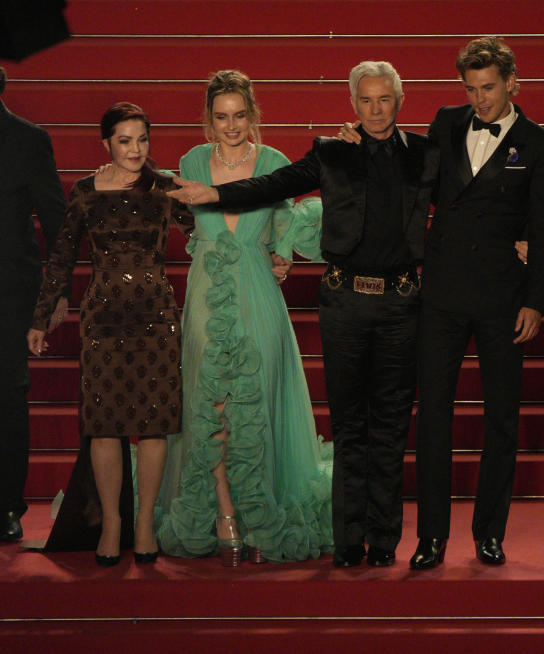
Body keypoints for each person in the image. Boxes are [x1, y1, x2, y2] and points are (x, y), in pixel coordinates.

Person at [167, 63, 433, 568]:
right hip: (291, 301)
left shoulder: (424, 152)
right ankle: (337, 537)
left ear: (400, 100)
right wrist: (215, 196)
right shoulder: (327, 152)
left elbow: (464, 199)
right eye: (366, 101)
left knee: (375, 424)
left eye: (385, 100)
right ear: (353, 105)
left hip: (387, 302)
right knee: (337, 424)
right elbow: (269, 189)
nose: (375, 110)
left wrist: (281, 247)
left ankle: (375, 538)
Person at [155, 70, 333, 565]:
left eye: (239, 115)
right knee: (209, 406)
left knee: (255, 406)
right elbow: (176, 217)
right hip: (207, 300)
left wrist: (283, 255)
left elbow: (284, 228)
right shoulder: (192, 161)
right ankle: (225, 512)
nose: (231, 126)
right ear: (209, 120)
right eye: (221, 116)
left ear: (252, 115)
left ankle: (260, 514)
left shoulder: (275, 163)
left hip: (258, 295)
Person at [407, 36, 544, 569]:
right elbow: (418, 191)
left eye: (489, 88)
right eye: (471, 89)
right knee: (433, 418)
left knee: (501, 419)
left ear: (512, 82)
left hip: (503, 299)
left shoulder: (541, 145)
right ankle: (430, 538)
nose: (480, 100)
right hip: (444, 295)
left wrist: (535, 302)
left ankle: (489, 533)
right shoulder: (446, 123)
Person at [28, 102, 194, 565]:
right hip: (102, 319)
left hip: (157, 315)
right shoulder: (84, 192)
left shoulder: (165, 188)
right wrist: (41, 318)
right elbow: (61, 257)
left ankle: (144, 523)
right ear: (106, 144)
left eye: (142, 139)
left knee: (155, 424)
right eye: (125, 140)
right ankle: (113, 524)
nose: (136, 149)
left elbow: (208, 232)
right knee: (105, 424)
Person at [0, 65, 66, 543]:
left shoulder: (28, 140)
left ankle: (6, 506)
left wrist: (57, 293)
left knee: (6, 395)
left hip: (11, 289)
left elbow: (56, 218)